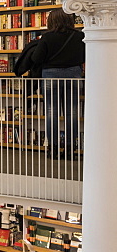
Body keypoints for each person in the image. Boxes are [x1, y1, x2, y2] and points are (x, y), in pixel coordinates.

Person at [30, 9, 86, 158]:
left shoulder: (47, 37)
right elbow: (84, 56)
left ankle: (53, 149)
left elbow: (36, 58)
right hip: (73, 74)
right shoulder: (79, 36)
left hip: (51, 75)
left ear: (51, 21)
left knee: (51, 111)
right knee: (72, 112)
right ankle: (70, 149)